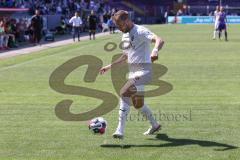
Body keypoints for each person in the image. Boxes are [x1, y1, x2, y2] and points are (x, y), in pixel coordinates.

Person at [99, 10, 165, 139]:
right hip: (134, 73)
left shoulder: (140, 31)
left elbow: (159, 39)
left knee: (124, 93)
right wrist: (109, 67)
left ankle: (120, 131)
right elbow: (125, 56)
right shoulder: (124, 35)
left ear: (127, 21)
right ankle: (155, 125)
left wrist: (155, 50)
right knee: (138, 104)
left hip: (144, 72)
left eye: (120, 25)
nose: (118, 28)